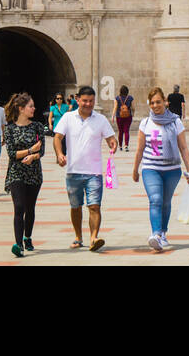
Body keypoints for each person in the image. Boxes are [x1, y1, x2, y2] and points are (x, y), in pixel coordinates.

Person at [54, 85, 117, 252]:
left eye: (91, 101)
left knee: (94, 206)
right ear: (77, 100)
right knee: (75, 206)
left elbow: (111, 138)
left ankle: (93, 238)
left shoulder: (101, 119)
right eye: (84, 101)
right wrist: (60, 154)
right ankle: (78, 236)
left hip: (94, 172)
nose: (88, 104)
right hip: (73, 171)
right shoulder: (68, 117)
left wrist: (113, 144)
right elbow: (58, 137)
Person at [132, 87, 189, 251]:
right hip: (150, 168)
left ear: (165, 102)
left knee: (166, 202)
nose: (155, 105)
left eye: (158, 102)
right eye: (152, 103)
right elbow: (139, 149)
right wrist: (135, 169)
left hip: (172, 169)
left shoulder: (175, 121)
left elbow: (183, 147)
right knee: (155, 200)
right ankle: (156, 234)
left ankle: (163, 232)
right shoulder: (145, 123)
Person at [3, 92, 43, 258]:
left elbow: (42, 150)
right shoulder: (9, 129)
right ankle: (18, 244)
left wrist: (33, 156)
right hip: (16, 173)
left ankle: (28, 237)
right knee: (19, 207)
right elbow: (12, 154)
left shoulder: (38, 127)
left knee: (30, 208)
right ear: (21, 109)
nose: (34, 109)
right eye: (30, 106)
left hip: (34, 173)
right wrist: (29, 150)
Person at [113, 85, 134, 152]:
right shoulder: (130, 98)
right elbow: (133, 107)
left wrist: (113, 116)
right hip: (128, 116)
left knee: (120, 131)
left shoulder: (117, 98)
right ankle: (126, 146)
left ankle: (120, 146)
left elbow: (115, 107)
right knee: (126, 131)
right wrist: (133, 114)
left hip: (119, 116)